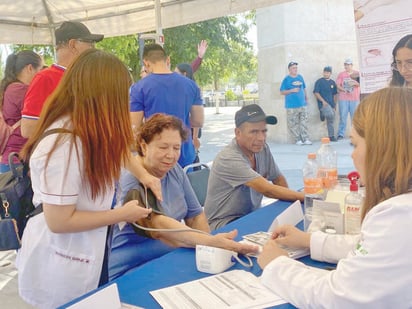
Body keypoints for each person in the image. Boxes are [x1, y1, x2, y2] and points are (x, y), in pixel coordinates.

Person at [16, 49, 162, 309]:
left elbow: (116, 149)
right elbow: (59, 221)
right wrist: (121, 214)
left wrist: (145, 176)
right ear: (103, 96)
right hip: (60, 266)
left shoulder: (88, 129)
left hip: (89, 252)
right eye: (122, 95)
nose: (125, 103)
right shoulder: (64, 144)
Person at [257, 87, 412, 307]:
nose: (353, 154)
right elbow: (367, 248)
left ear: (381, 148)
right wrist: (310, 241)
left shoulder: (399, 216)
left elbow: (340, 297)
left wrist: (277, 265)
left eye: (355, 144)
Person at [109, 113, 258, 280]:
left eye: (176, 148)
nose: (171, 155)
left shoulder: (174, 170)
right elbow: (160, 227)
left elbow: (195, 215)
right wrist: (210, 242)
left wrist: (209, 250)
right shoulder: (131, 179)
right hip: (132, 269)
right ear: (144, 146)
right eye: (163, 147)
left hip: (170, 257)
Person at [204, 104, 305, 231]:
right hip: (223, 224)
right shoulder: (228, 158)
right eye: (254, 132)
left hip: (251, 216)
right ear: (238, 133)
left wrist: (290, 209)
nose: (261, 138)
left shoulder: (262, 148)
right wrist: (308, 198)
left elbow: (278, 179)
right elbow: (267, 190)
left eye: (264, 131)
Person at [21, 21, 104, 138]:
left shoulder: (85, 78)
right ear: (73, 44)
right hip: (59, 153)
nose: (93, 49)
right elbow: (27, 129)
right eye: (90, 44)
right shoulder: (45, 78)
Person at [129, 43, 204, 168]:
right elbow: (198, 121)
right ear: (167, 59)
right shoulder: (191, 85)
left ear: (146, 63)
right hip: (184, 155)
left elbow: (134, 126)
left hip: (155, 157)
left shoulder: (139, 88)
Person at [0, 51, 43, 172]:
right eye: (40, 70)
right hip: (17, 161)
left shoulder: (10, 87)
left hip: (12, 160)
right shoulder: (19, 89)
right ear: (30, 68)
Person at [280, 62, 312, 145]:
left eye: (296, 68)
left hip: (302, 104)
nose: (295, 69)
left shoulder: (300, 77)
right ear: (289, 69)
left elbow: (304, 88)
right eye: (293, 68)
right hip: (291, 106)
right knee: (293, 123)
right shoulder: (286, 79)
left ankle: (305, 138)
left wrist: (306, 98)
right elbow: (282, 92)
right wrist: (291, 90)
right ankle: (298, 139)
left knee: (304, 121)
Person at [336, 58, 360, 140]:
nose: (346, 66)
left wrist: (354, 83)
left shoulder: (357, 73)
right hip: (344, 98)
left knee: (355, 117)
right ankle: (341, 134)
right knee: (343, 116)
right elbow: (338, 85)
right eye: (345, 64)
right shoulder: (341, 74)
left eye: (348, 64)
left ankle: (355, 134)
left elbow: (361, 84)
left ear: (352, 65)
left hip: (354, 98)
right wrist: (344, 90)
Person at [313, 66, 338, 142]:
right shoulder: (319, 82)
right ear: (323, 72)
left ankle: (331, 136)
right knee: (330, 115)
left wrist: (334, 105)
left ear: (330, 73)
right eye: (325, 72)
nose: (326, 73)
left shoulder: (332, 83)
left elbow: (335, 94)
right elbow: (316, 93)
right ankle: (322, 113)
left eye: (328, 72)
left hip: (331, 104)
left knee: (331, 119)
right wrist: (323, 101)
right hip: (323, 104)